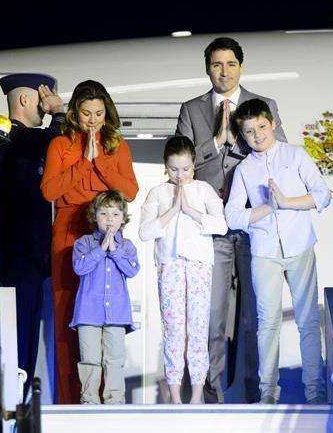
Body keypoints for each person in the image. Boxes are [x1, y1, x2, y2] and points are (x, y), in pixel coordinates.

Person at [175, 37, 287, 403]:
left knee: (257, 313)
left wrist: (241, 143)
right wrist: (215, 140)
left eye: (230, 64)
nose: (223, 72)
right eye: (216, 65)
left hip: (254, 225)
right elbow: (182, 165)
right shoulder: (191, 110)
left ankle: (257, 393)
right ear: (207, 68)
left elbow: (279, 156)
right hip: (211, 227)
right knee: (211, 314)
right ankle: (211, 395)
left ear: (241, 66)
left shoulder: (264, 106)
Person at [225, 98, 330, 404]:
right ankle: (267, 393)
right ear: (242, 136)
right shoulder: (244, 169)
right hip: (265, 252)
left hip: (299, 246)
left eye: (261, 126)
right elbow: (232, 216)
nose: (257, 135)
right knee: (267, 323)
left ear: (271, 123)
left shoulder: (295, 155)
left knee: (308, 320)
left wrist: (287, 203)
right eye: (249, 131)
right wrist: (267, 208)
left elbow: (322, 195)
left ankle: (315, 392)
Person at [41, 80, 139, 404]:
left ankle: (109, 403)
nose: (93, 120)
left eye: (98, 113)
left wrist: (99, 162)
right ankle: (73, 403)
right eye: (86, 114)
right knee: (68, 317)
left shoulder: (116, 144)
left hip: (105, 228)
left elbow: (130, 191)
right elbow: (49, 192)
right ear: (74, 113)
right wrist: (83, 161)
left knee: (105, 315)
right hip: (69, 230)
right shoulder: (60, 145)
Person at [139, 136, 227, 404]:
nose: (180, 175)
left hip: (199, 265)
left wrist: (189, 210)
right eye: (175, 169)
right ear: (166, 166)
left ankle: (197, 395)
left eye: (186, 169)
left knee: (198, 330)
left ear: (194, 165)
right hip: (170, 265)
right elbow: (145, 231)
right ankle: (175, 397)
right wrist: (172, 210)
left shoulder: (203, 189)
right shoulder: (157, 193)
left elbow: (221, 225)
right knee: (174, 330)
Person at [0, 73, 64, 400]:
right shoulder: (15, 140)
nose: (46, 103)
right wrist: (58, 113)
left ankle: (17, 403)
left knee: (24, 340)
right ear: (25, 100)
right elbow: (57, 143)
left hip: (22, 262)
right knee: (20, 341)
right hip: (20, 261)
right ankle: (15, 408)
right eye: (43, 96)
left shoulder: (12, 142)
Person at [71, 190, 139, 404]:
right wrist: (101, 249)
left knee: (115, 359)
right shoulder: (83, 243)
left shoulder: (127, 246)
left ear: (123, 218)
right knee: (90, 359)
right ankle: (89, 401)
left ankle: (115, 401)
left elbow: (132, 270)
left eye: (116, 214)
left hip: (117, 315)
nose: (110, 219)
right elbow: (80, 267)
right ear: (94, 216)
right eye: (104, 213)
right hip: (88, 314)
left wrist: (115, 250)